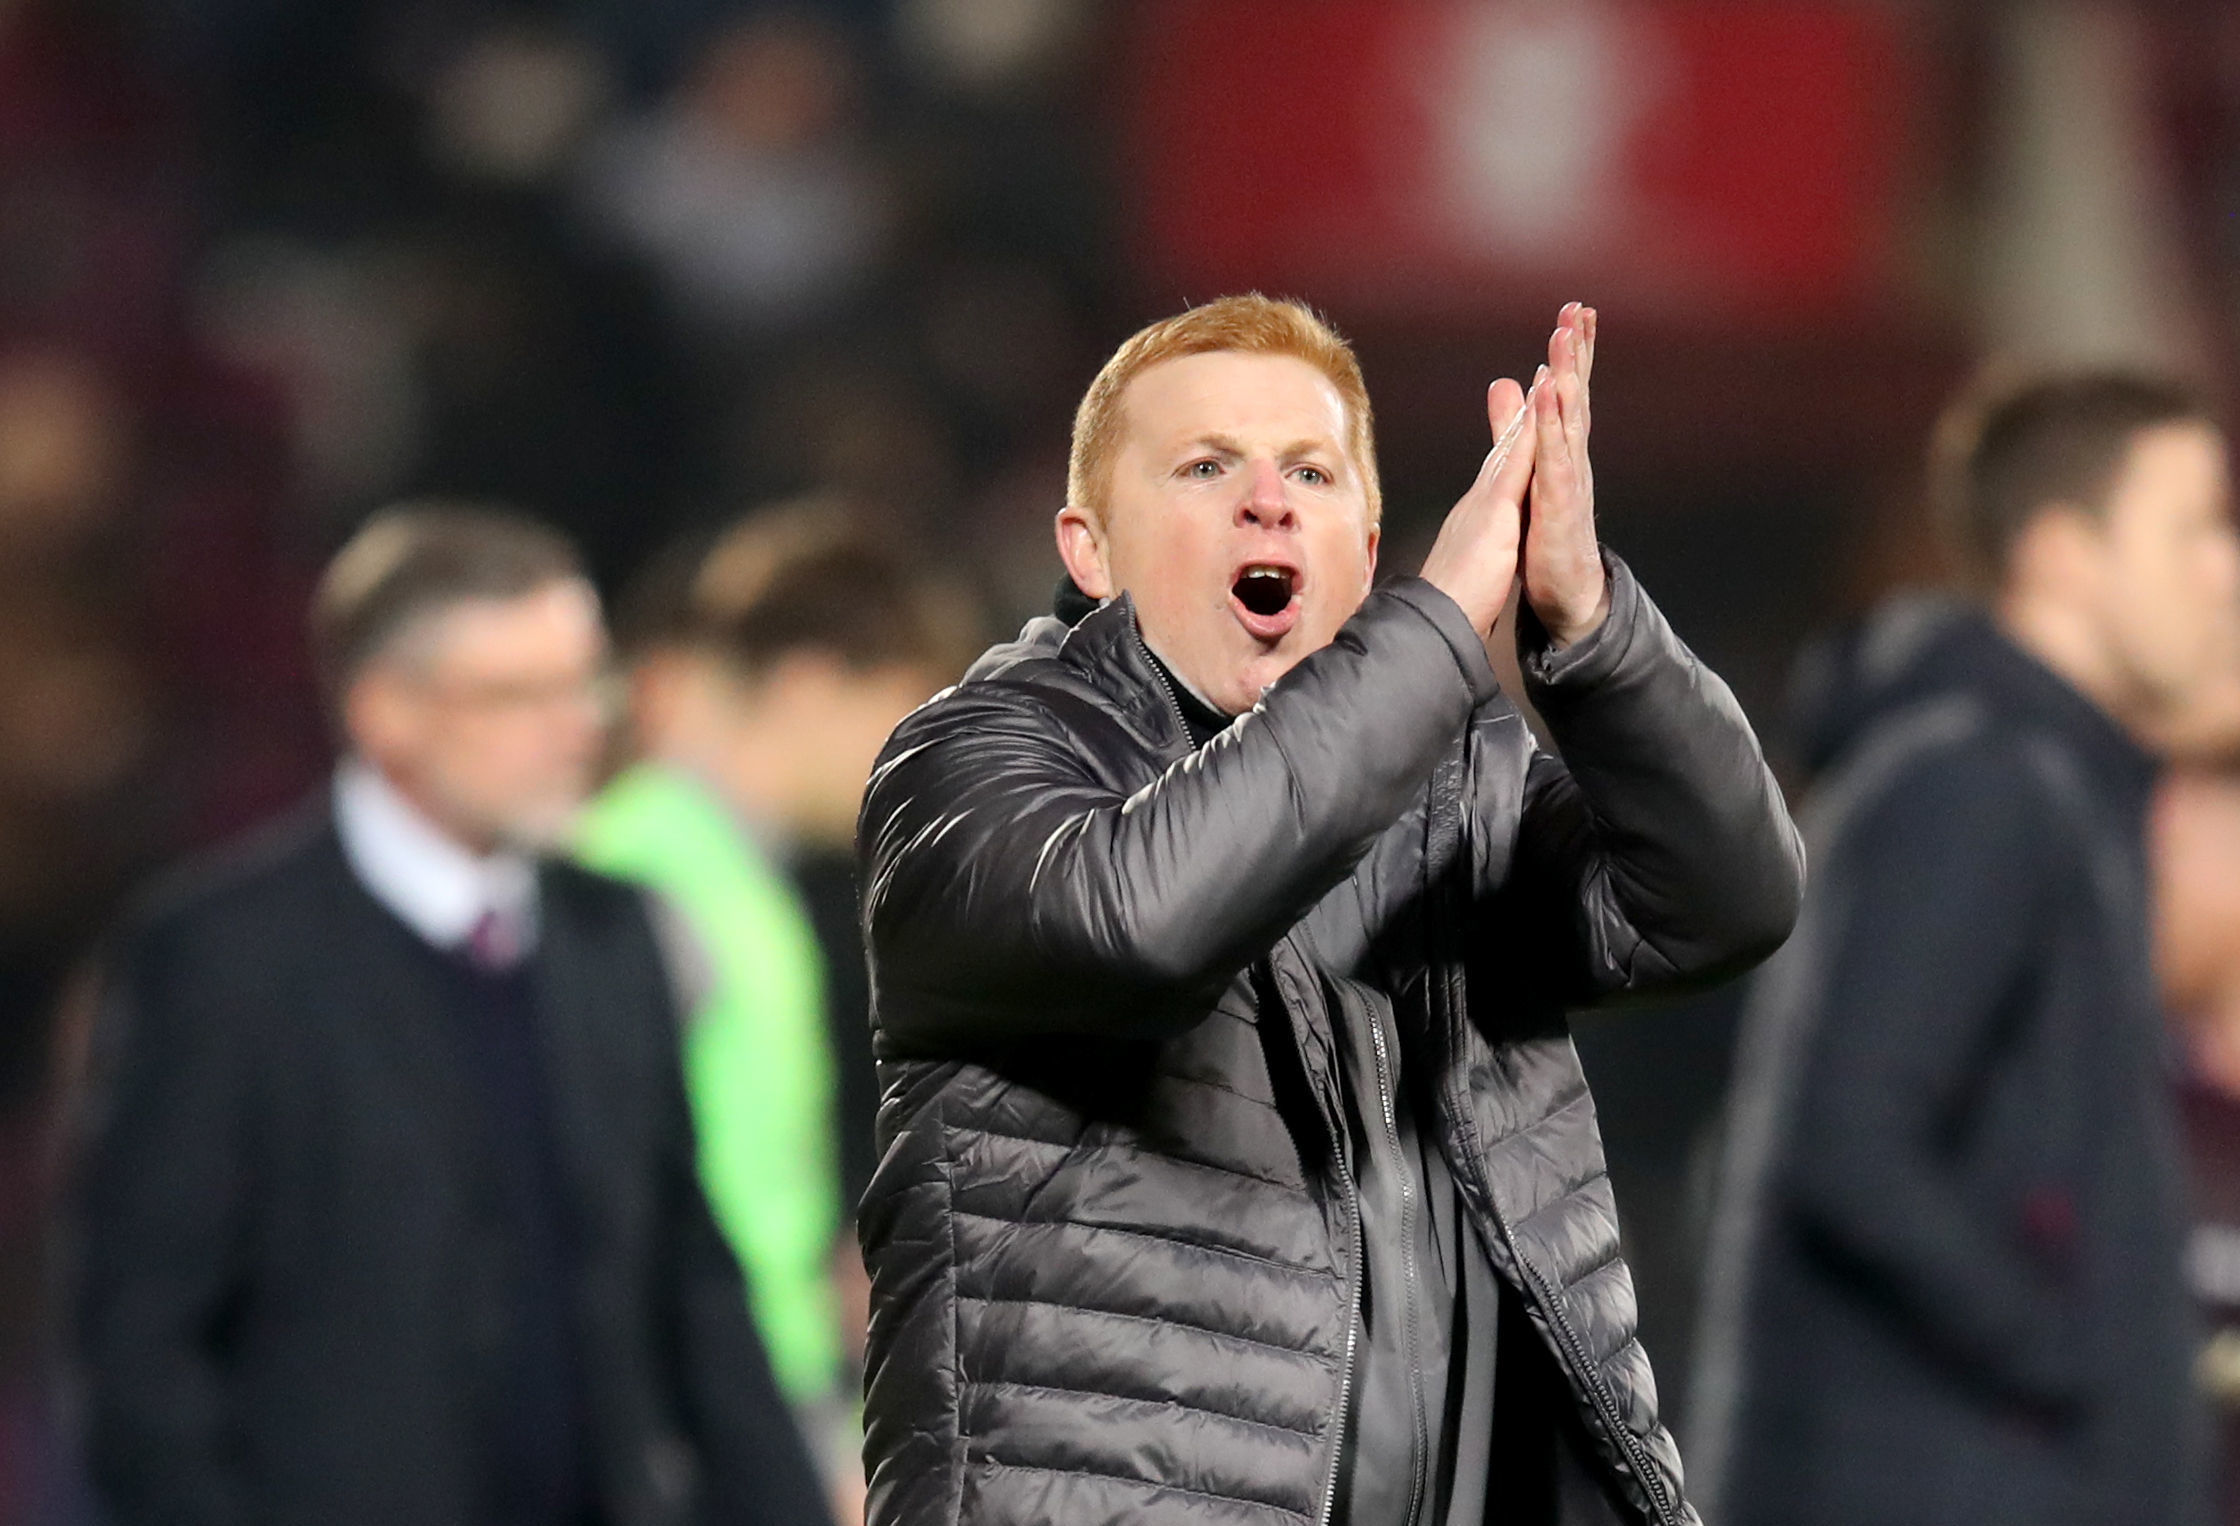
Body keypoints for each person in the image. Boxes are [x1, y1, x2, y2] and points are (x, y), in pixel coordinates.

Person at [854, 294, 1803, 1526]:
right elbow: (1140, 923)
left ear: (1361, 546)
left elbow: (1722, 899)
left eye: (1309, 469)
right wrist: (1437, 628)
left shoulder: (1454, 782)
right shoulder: (979, 758)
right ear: (1088, 548)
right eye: (1205, 466)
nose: (1266, 499)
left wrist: (1593, 627)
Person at [73, 506, 832, 1526]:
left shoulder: (611, 932)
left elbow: (688, 1279)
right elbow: (142, 1352)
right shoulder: (223, 960)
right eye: (520, 692)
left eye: (587, 679)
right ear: (388, 711)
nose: (580, 724)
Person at [1691, 374, 2240, 1526]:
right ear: (2059, 555)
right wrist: (2076, 1352)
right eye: (2190, 526)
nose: (2221, 567)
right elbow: (1848, 1140)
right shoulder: (1975, 785)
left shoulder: (2049, 786)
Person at [578, 500, 971, 1513]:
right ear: (808, 684)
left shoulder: (740, 883)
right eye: (903, 718)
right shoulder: (641, 869)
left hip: (753, 1401)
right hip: (699, 1426)